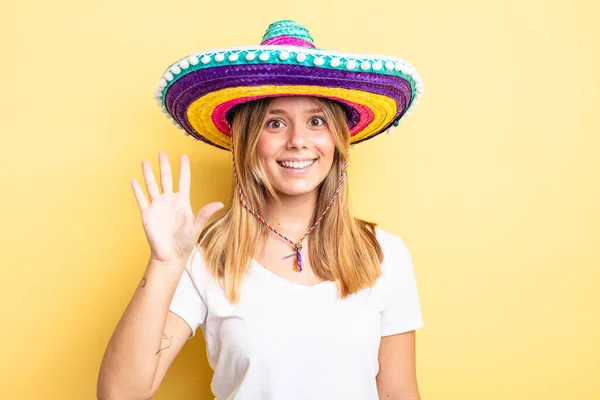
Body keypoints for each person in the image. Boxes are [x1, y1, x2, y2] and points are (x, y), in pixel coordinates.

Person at [98, 19, 425, 400]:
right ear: (248, 143)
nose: (298, 141)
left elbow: (399, 394)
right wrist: (165, 264)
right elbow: (119, 394)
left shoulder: (385, 255)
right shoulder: (206, 256)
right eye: (275, 123)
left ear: (337, 139)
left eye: (316, 121)